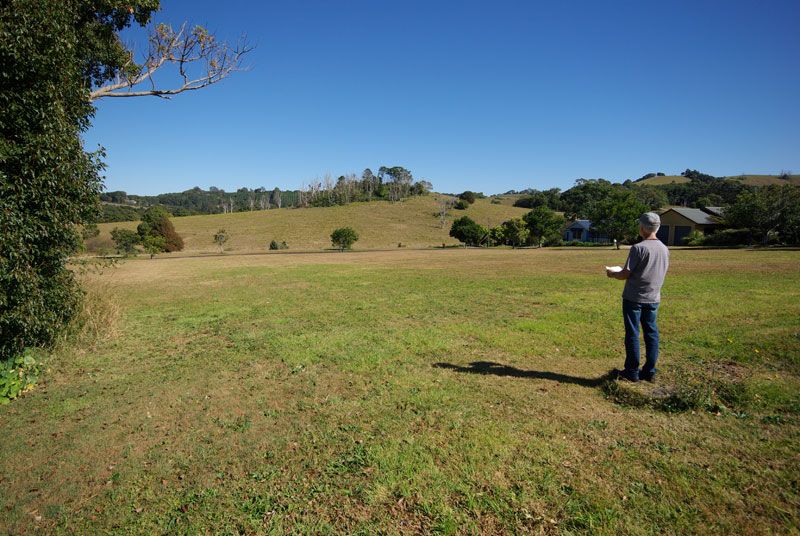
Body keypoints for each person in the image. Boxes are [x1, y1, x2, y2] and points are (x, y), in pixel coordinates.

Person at [606, 212, 669, 382]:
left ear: (642, 228)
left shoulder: (638, 248)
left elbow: (626, 273)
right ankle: (650, 371)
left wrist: (612, 274)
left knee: (633, 333)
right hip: (653, 298)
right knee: (651, 333)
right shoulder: (664, 248)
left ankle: (632, 371)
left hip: (634, 298)